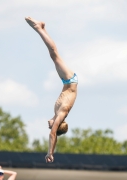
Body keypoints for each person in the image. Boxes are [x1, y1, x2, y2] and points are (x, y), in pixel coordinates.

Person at [25, 17, 78, 163]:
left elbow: (54, 134)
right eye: (52, 127)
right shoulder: (61, 114)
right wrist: (50, 153)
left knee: (53, 55)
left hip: (67, 81)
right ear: (58, 125)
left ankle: (42, 28)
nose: (49, 126)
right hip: (70, 80)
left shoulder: (58, 114)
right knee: (54, 54)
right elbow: (53, 135)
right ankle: (38, 28)